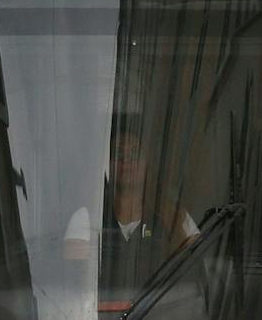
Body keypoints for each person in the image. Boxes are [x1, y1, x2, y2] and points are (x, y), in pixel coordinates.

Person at [63, 113, 198, 307]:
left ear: (146, 164)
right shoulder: (84, 218)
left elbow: (195, 286)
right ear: (106, 165)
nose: (126, 162)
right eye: (118, 154)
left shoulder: (176, 217)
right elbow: (73, 292)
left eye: (134, 154)